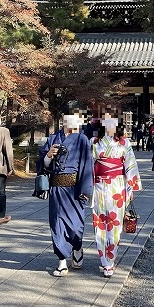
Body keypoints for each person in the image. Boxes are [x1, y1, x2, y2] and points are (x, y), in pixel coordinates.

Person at [37, 113, 95, 277]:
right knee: (57, 225)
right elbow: (42, 164)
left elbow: (87, 165)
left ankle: (77, 246)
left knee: (76, 226)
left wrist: (86, 190)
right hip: (57, 189)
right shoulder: (53, 138)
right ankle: (62, 261)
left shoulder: (82, 139)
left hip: (75, 190)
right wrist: (48, 156)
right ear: (63, 118)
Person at [91, 119, 142, 278]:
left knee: (115, 224)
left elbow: (130, 165)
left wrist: (131, 186)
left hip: (117, 187)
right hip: (99, 186)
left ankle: (110, 261)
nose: (109, 125)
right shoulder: (94, 141)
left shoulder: (124, 142)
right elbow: (88, 165)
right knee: (99, 223)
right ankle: (104, 259)